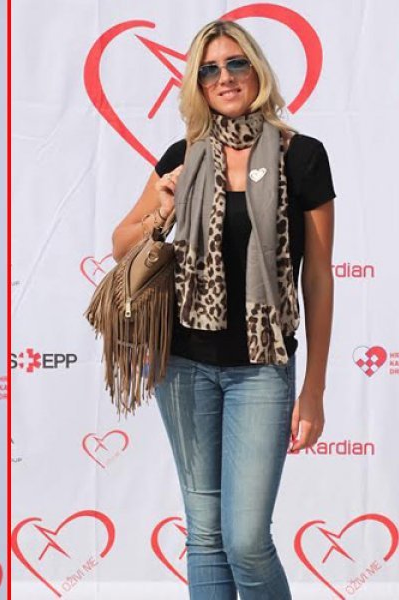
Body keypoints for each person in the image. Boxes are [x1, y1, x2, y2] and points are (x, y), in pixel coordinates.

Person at [112, 20, 334, 599]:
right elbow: (122, 245)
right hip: (183, 365)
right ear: (197, 84)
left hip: (262, 369)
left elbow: (318, 278)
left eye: (236, 63)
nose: (224, 77)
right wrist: (163, 208)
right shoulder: (183, 157)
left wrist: (314, 388)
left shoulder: (302, 157)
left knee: (246, 540)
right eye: (209, 70)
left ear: (256, 70)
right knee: (206, 535)